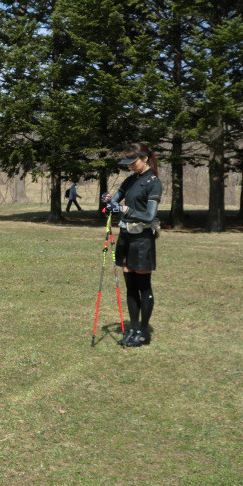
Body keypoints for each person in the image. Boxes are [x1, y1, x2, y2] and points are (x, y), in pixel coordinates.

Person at [103, 143, 162, 347]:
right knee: (130, 285)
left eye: (133, 161)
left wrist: (124, 209)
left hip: (143, 238)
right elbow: (115, 201)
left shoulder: (154, 183)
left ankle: (144, 333)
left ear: (145, 158)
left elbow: (149, 215)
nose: (130, 166)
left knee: (143, 286)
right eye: (127, 163)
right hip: (126, 235)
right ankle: (134, 329)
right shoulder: (130, 180)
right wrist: (110, 201)